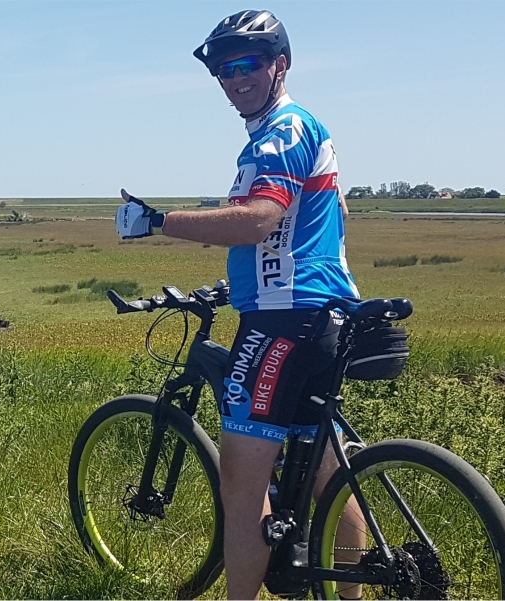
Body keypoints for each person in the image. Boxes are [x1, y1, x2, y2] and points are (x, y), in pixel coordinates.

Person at [115, 9, 366, 600]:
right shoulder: (307, 130)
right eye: (225, 69)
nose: (235, 78)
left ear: (280, 64)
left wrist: (156, 221)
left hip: (283, 324)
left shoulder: (279, 133)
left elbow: (259, 220)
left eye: (249, 63)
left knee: (242, 487)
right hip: (324, 316)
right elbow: (331, 217)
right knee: (329, 471)